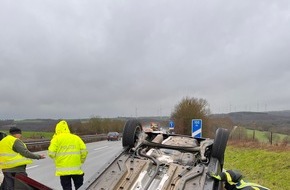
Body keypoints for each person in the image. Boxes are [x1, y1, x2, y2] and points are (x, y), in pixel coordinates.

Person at [48, 120, 88, 190]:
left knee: (67, 188)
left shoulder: (56, 139)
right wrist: (81, 160)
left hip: (63, 171)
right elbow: (84, 151)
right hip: (76, 170)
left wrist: (58, 159)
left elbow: (51, 153)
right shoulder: (76, 138)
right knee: (80, 187)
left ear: (57, 129)